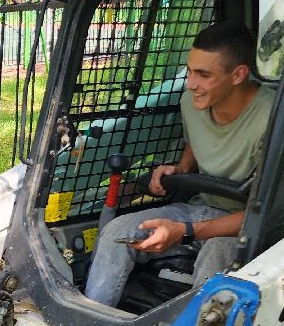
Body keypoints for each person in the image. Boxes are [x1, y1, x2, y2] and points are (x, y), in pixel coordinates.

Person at [83, 22, 273, 308]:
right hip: (200, 207)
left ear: (238, 75)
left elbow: (266, 214)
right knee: (118, 232)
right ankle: (92, 324)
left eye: (203, 75)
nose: (191, 83)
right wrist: (181, 169)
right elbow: (194, 143)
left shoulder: (272, 118)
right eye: (190, 71)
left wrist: (184, 230)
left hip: (247, 226)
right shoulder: (191, 103)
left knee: (217, 254)